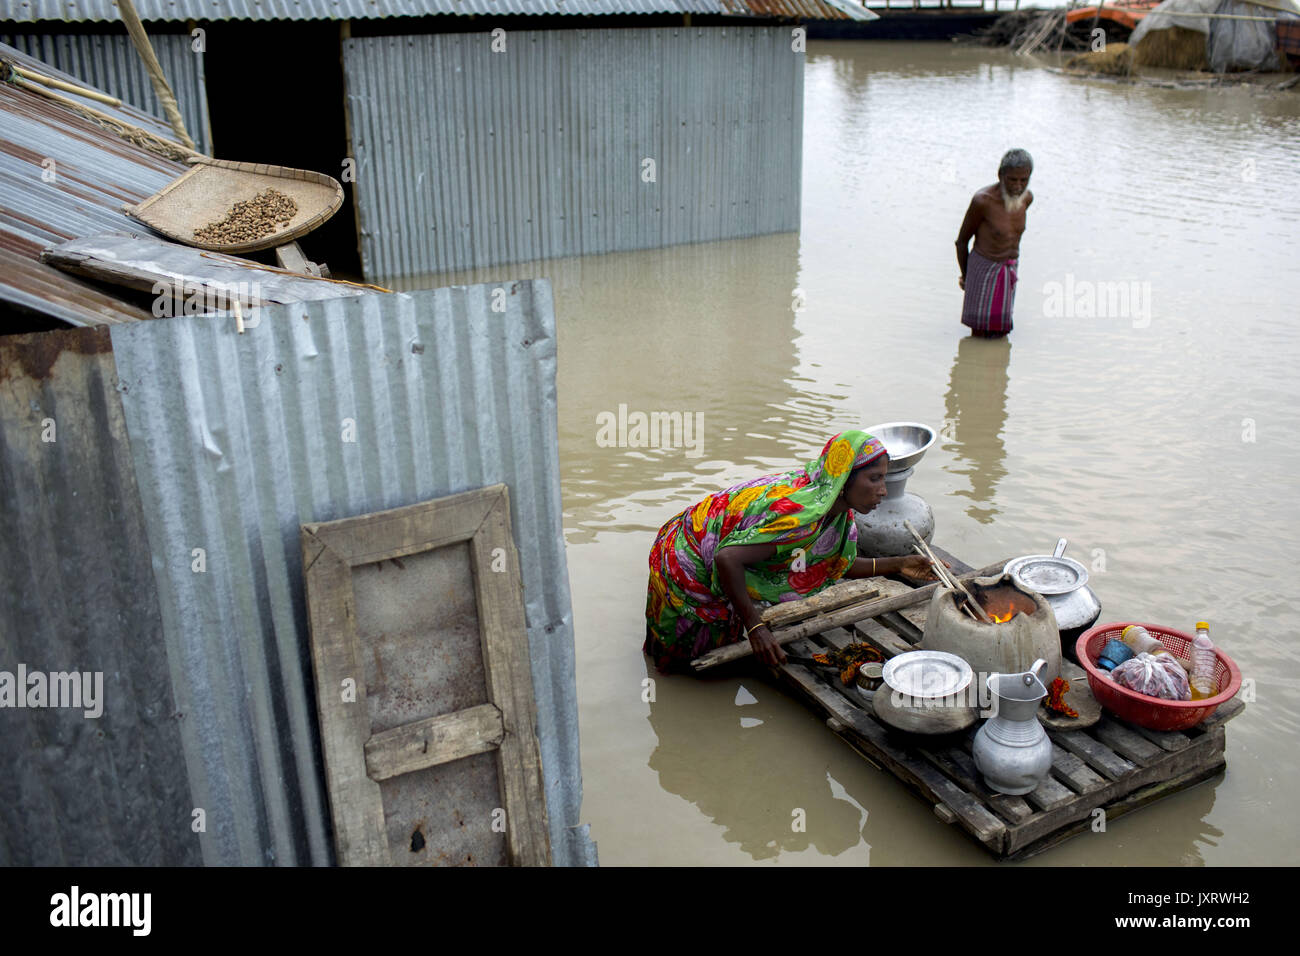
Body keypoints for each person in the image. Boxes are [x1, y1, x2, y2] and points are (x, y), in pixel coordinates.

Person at [643, 430, 935, 672]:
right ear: (844, 478)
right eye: (875, 478)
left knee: (721, 639)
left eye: (884, 478)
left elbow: (831, 564)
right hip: (687, 558)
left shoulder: (832, 504)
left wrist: (899, 565)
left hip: (712, 548)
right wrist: (756, 627)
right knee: (688, 654)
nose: (883, 490)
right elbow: (727, 558)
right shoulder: (800, 518)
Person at [956, 148, 1034, 337]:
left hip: (1009, 269)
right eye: (1012, 180)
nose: (1018, 186)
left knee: (1001, 331)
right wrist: (966, 276)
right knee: (980, 334)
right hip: (984, 269)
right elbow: (961, 242)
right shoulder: (983, 201)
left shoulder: (1027, 199)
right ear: (1000, 176)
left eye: (1023, 180)